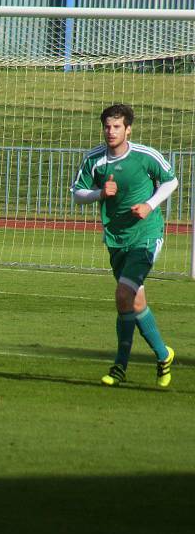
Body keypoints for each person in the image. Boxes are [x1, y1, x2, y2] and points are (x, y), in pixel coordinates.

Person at [71, 104, 178, 388]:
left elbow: (171, 181)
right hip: (116, 238)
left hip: (146, 234)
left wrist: (149, 204)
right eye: (107, 126)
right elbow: (77, 193)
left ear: (128, 129)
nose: (111, 131)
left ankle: (120, 366)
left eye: (117, 126)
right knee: (135, 301)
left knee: (123, 293)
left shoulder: (145, 156)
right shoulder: (94, 159)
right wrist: (99, 193)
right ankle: (163, 354)